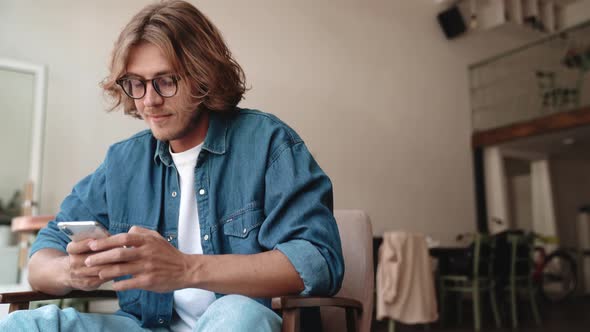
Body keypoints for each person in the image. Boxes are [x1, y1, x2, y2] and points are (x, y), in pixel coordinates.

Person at [0, 1, 344, 331]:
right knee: (25, 324)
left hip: (242, 324)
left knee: (237, 310)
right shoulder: (122, 163)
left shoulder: (268, 142)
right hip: (145, 327)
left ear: (202, 75)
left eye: (166, 81)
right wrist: (71, 273)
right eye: (136, 83)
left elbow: (316, 260)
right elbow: (41, 259)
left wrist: (186, 268)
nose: (149, 100)